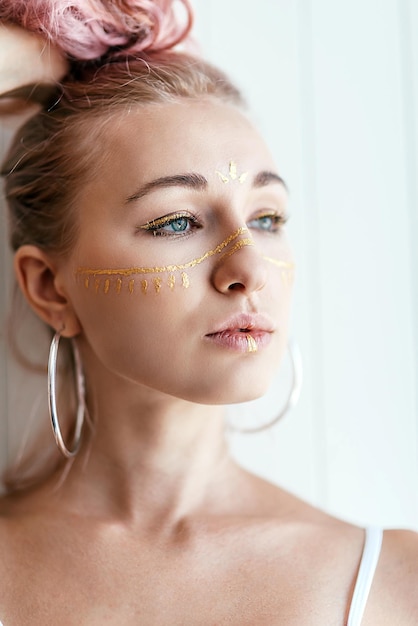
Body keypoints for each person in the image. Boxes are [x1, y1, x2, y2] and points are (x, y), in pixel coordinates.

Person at [0, 2, 417, 624]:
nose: (248, 270)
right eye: (177, 222)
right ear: (50, 288)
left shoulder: (395, 584)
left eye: (267, 218)